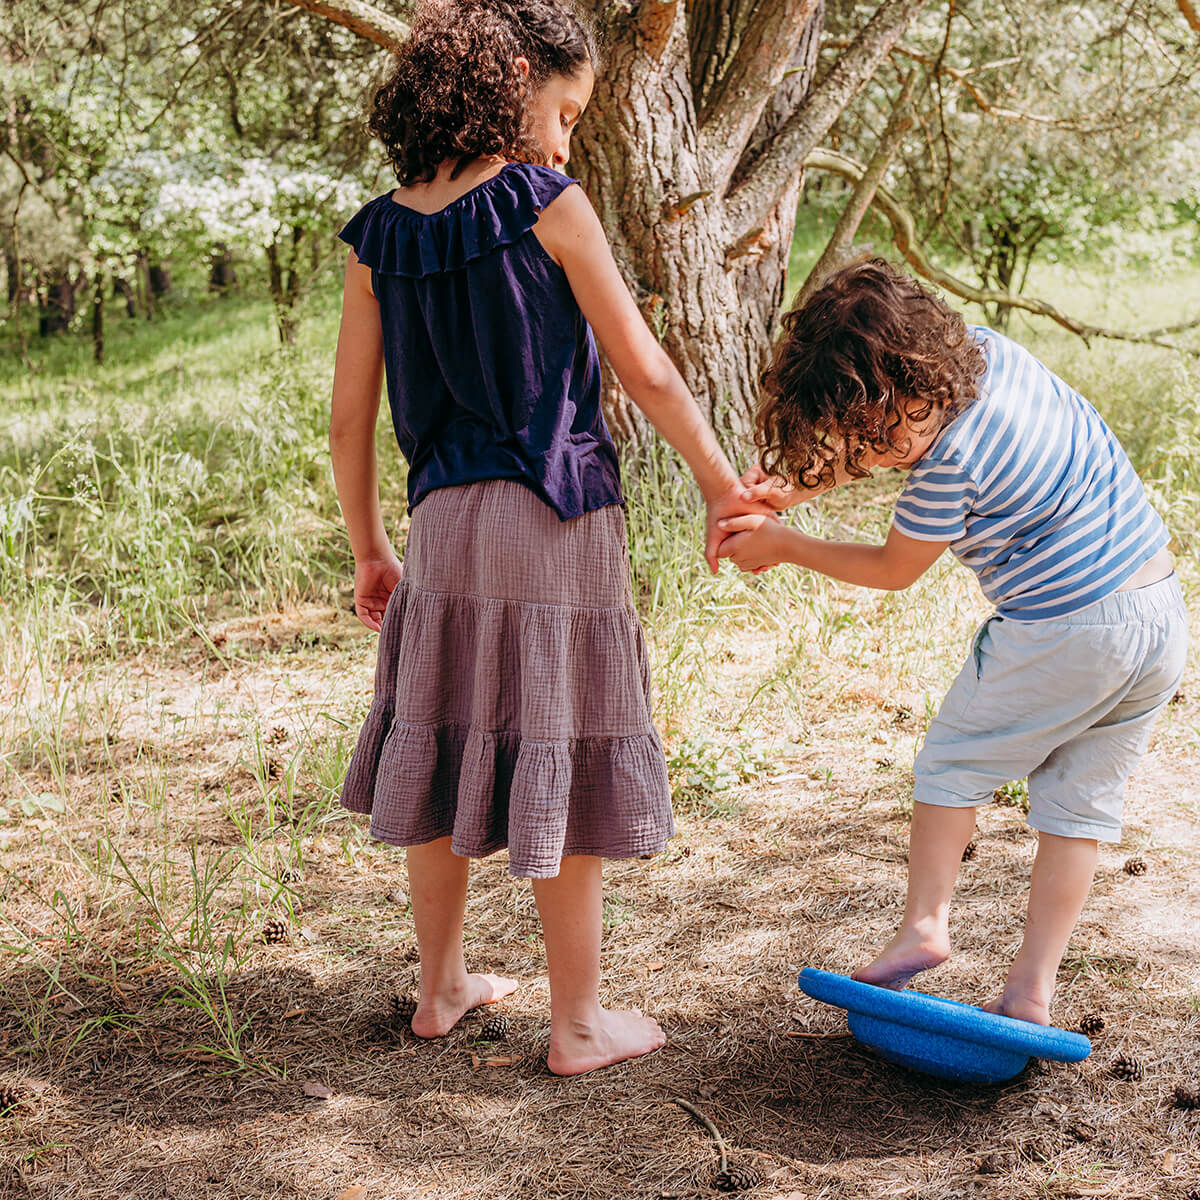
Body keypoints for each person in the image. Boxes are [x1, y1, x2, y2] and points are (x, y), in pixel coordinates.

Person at [329, 0, 768, 1075]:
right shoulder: (546, 204)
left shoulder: (380, 230)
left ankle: (441, 988)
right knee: (557, 743)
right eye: (564, 110)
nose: (566, 140)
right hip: (555, 513)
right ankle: (577, 1024)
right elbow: (647, 368)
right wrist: (721, 486)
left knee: (432, 739)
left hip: (442, 523)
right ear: (515, 78)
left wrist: (370, 550)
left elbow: (347, 422)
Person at [719, 258, 1188, 1024]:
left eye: (878, 434)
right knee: (1077, 811)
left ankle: (924, 927)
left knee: (950, 766)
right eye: (858, 439)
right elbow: (903, 444)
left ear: (913, 380)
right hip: (1157, 613)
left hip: (1066, 628)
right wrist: (802, 484)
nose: (876, 453)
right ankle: (1032, 988)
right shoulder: (988, 353)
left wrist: (786, 542)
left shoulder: (948, 467)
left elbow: (894, 567)